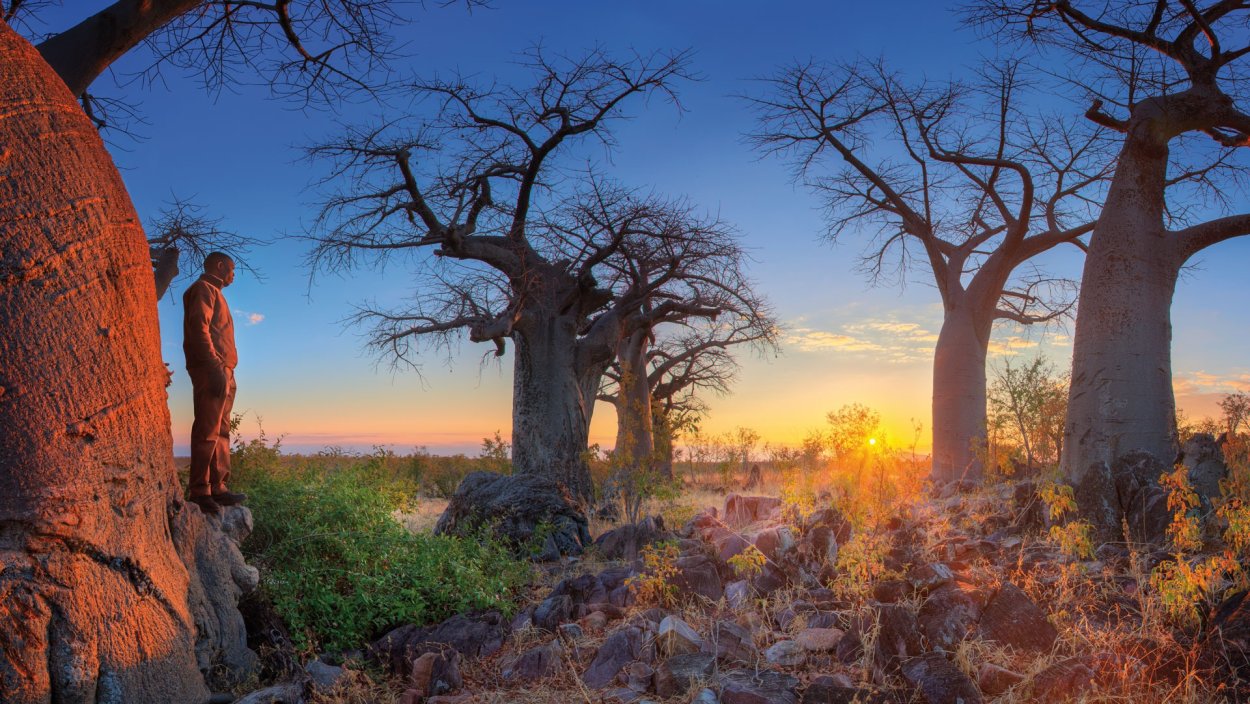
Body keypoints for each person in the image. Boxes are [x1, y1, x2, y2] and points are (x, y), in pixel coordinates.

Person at [183, 252, 247, 515]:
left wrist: (227, 371)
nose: (233, 275)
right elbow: (199, 329)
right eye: (232, 269)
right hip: (213, 370)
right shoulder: (202, 289)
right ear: (220, 266)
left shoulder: (216, 293)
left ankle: (218, 487)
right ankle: (200, 491)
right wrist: (214, 367)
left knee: (221, 431)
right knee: (208, 430)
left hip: (225, 371)